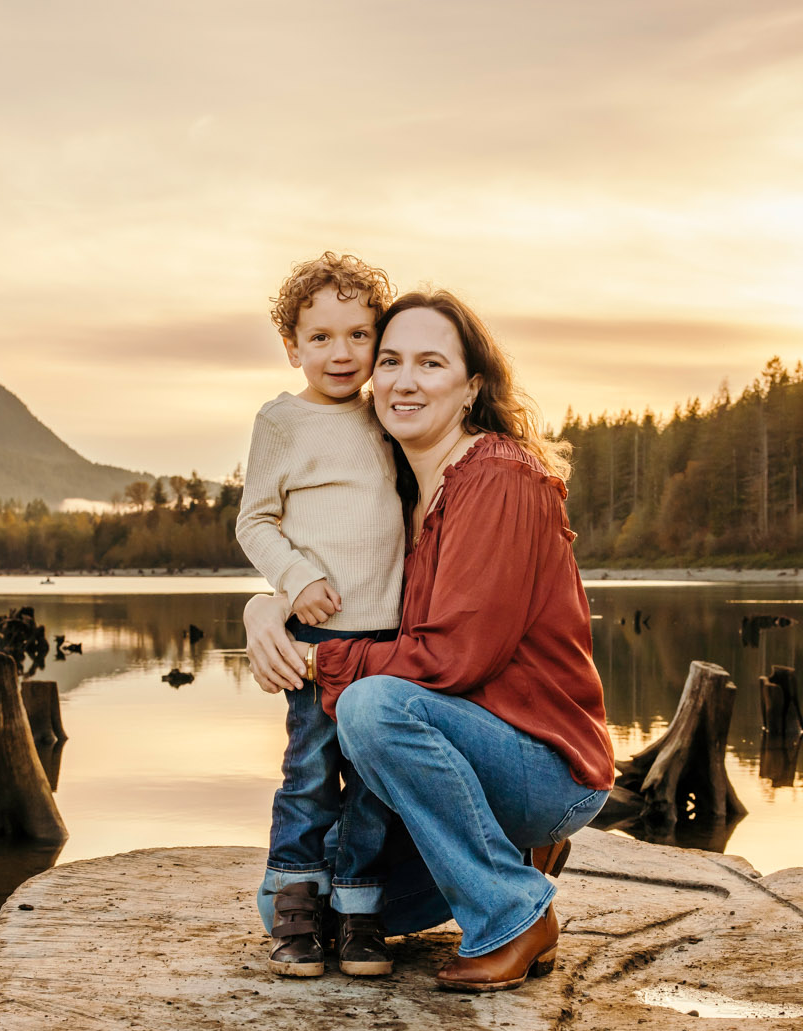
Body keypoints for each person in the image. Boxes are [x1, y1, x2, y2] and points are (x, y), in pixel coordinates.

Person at [246, 289, 614, 992]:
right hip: (464, 763)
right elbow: (324, 570)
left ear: (472, 385)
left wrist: (317, 658)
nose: (404, 380)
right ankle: (512, 857)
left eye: (431, 362)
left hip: (543, 765)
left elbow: (452, 659)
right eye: (389, 361)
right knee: (292, 909)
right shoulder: (407, 496)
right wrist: (262, 605)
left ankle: (513, 913)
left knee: (371, 707)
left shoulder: (499, 479)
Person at [234, 253, 407, 978]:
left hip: (389, 637)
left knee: (371, 782)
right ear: (292, 346)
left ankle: (360, 914)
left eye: (360, 335)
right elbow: (255, 522)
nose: (342, 353)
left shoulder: (388, 416)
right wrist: (294, 579)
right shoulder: (282, 421)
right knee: (310, 772)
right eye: (321, 338)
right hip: (314, 639)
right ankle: (296, 904)